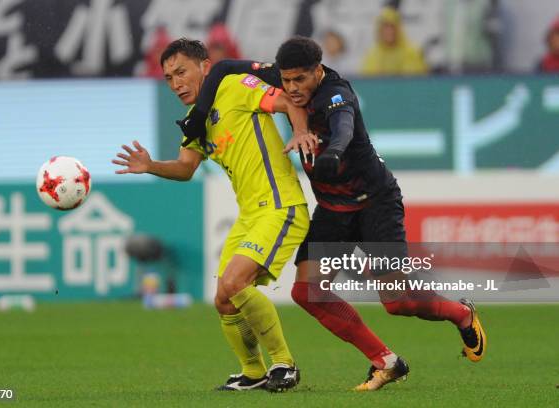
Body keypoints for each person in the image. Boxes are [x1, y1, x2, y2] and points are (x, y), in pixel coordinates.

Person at [178, 36, 487, 392]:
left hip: (375, 203)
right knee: (308, 293)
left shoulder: (336, 95)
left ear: (318, 72)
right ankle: (385, 361)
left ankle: (461, 313)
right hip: (333, 210)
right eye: (286, 80)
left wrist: (333, 154)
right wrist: (200, 114)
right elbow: (224, 68)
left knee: (397, 301)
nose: (292, 89)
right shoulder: (285, 81)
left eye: (300, 81)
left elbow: (343, 128)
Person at [113, 38, 312, 392]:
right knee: (223, 298)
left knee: (235, 284)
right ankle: (252, 372)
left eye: (181, 72)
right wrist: (150, 166)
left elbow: (288, 101)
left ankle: (285, 364)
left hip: (280, 205)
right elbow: (187, 167)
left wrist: (300, 134)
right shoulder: (195, 120)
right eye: (169, 78)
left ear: (205, 66)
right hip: (250, 214)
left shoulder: (235, 86)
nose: (175, 83)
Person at [360, 7, 428, 76]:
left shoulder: (412, 51)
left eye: (392, 27)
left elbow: (414, 79)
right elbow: (368, 80)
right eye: (385, 27)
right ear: (379, 31)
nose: (389, 31)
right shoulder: (372, 54)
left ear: (399, 29)